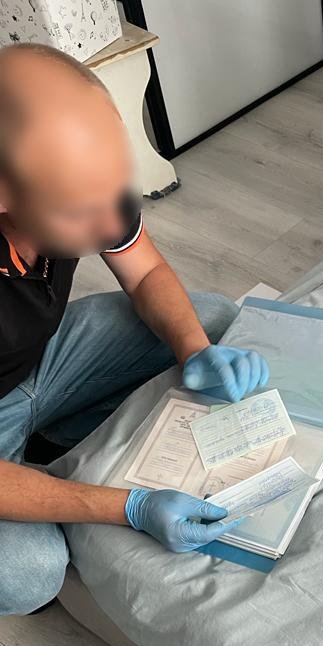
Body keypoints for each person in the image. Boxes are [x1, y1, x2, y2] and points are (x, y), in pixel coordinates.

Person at [0, 43, 269, 616]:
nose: (108, 224)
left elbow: (144, 271)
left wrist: (194, 349)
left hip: (35, 362)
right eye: (79, 211)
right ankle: (48, 464)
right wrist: (130, 507)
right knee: (27, 574)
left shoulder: (88, 184)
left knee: (209, 319)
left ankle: (50, 445)